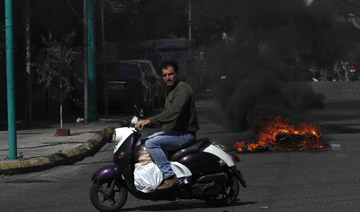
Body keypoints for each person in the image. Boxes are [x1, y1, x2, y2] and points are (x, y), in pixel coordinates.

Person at [136, 61, 199, 190]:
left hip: (184, 134)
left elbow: (173, 113)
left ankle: (169, 176)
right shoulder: (171, 91)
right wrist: (148, 123)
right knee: (142, 142)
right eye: (164, 75)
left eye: (170, 74)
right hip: (174, 133)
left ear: (177, 74)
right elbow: (166, 116)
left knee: (151, 144)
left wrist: (150, 120)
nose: (167, 78)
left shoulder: (183, 89)